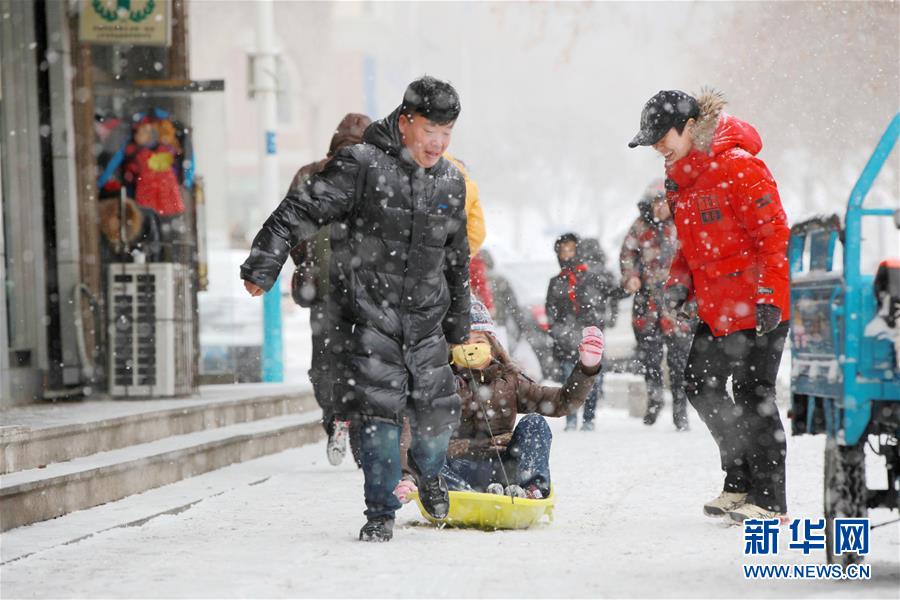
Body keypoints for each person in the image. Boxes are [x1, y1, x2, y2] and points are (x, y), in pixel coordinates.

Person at [241, 77, 471, 542]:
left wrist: (459, 326)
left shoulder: (450, 179)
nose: (438, 142)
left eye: (447, 133)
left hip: (426, 320)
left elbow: (457, 258)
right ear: (405, 121)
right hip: (371, 316)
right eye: (430, 130)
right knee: (380, 420)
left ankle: (429, 475)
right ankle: (380, 512)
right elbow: (297, 210)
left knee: (437, 418)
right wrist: (264, 262)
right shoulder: (362, 165)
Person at [628, 89, 790, 523]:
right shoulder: (679, 178)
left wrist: (770, 297)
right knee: (699, 385)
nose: (658, 145)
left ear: (691, 127)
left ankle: (771, 499)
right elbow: (692, 244)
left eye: (664, 136)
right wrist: (681, 285)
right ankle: (738, 482)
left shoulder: (740, 166)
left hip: (758, 304)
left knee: (754, 394)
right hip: (717, 307)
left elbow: (773, 235)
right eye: (653, 139)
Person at [394, 301, 604, 503]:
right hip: (458, 468)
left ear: (493, 347)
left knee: (535, 423)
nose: (471, 348)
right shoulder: (437, 385)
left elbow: (561, 402)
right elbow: (413, 430)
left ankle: (532, 489)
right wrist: (408, 476)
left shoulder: (510, 381)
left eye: (478, 341)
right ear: (450, 350)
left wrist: (586, 369)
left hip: (503, 466)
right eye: (463, 342)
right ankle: (459, 494)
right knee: (428, 454)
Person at [288, 112, 371, 468]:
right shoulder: (375, 176)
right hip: (364, 289)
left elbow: (290, 225)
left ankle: (339, 420)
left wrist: (306, 260)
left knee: (326, 364)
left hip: (330, 289)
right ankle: (350, 424)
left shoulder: (311, 175)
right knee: (363, 362)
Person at [619, 183, 696, 430]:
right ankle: (654, 401)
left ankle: (680, 410)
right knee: (650, 358)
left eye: (664, 202)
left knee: (679, 361)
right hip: (647, 302)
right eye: (656, 203)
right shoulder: (640, 227)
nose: (660, 208)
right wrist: (630, 276)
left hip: (676, 303)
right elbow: (627, 254)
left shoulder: (681, 224)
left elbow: (695, 254)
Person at [546, 233, 605, 431]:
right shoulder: (555, 282)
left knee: (591, 380)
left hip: (587, 339)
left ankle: (589, 418)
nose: (567, 255)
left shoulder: (590, 278)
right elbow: (551, 310)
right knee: (568, 379)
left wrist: (593, 331)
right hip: (564, 339)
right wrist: (557, 331)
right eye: (562, 251)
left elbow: (598, 306)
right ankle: (570, 418)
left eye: (571, 250)